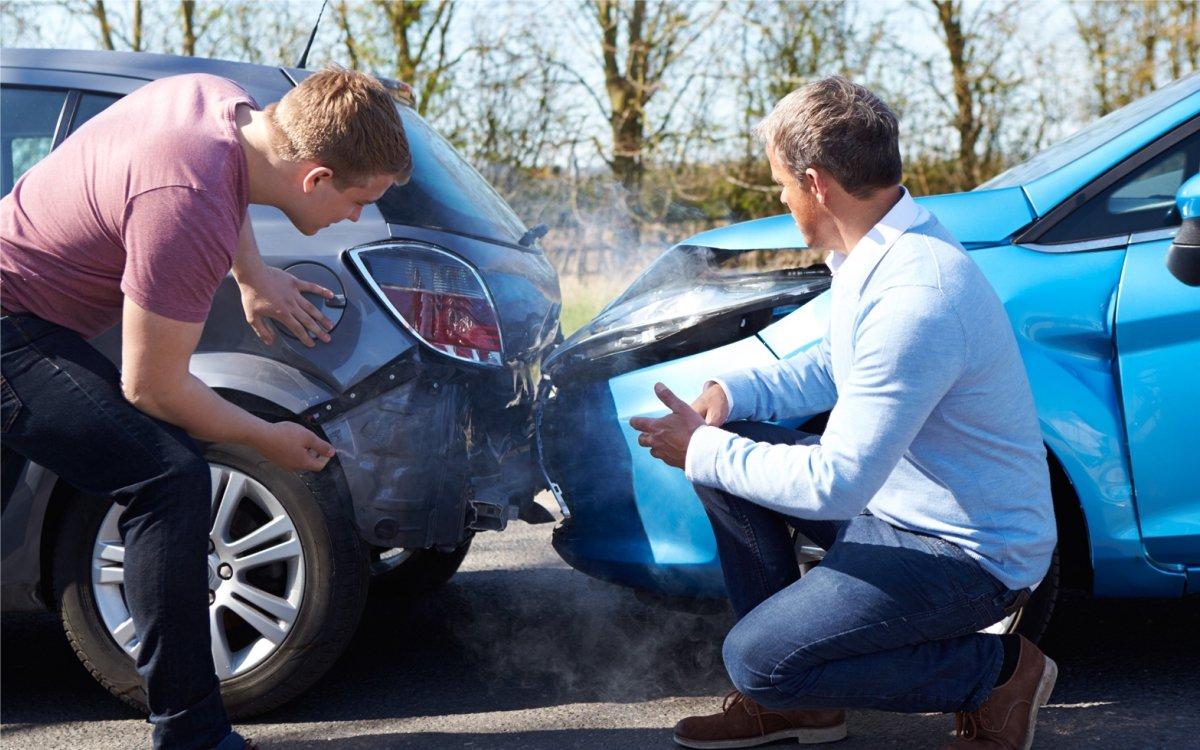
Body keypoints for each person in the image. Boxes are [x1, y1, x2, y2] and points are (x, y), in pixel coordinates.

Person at [630, 76, 1058, 749]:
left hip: (967, 555)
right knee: (726, 441)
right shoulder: (875, 251)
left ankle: (998, 673)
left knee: (757, 659)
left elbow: (838, 483)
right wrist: (732, 397)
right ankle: (802, 706)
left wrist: (697, 449)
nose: (780, 198)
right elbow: (840, 366)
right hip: (898, 511)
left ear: (816, 182)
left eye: (780, 184)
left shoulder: (920, 293)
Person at [0, 65, 410, 749]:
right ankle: (190, 732)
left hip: (24, 312)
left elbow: (229, 182)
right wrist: (265, 440)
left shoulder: (222, 103)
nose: (356, 217)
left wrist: (251, 275)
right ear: (315, 179)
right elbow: (153, 388)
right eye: (360, 199)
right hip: (10, 324)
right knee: (164, 474)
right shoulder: (186, 200)